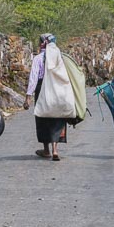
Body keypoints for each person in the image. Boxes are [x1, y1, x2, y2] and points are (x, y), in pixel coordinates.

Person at [24, 33, 71, 161]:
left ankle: (46, 150)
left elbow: (33, 78)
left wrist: (28, 97)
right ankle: (55, 150)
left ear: (42, 44)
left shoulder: (38, 58)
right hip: (58, 90)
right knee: (57, 117)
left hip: (42, 90)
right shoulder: (60, 58)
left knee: (42, 118)